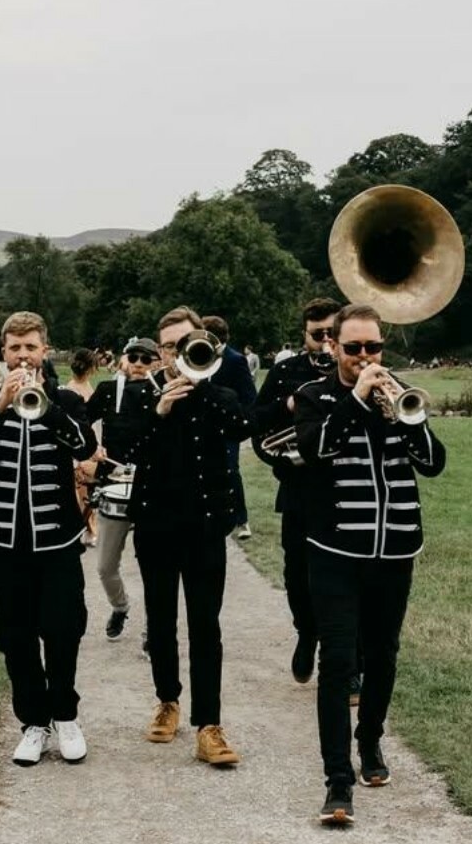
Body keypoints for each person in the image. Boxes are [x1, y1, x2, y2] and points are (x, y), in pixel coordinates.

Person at [294, 303, 446, 824]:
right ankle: (337, 780)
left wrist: (408, 417)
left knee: (383, 656)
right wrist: (357, 400)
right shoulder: (315, 397)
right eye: (354, 347)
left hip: (395, 550)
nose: (365, 356)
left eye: (373, 346)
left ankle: (371, 741)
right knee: (339, 663)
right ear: (333, 346)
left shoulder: (397, 393)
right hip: (335, 552)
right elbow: (316, 449)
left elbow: (433, 463)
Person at [0, 311, 97, 767]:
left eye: (30, 347)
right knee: (13, 635)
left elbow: (84, 447)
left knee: (63, 629)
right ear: (4, 351)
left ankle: (66, 715)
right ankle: (34, 723)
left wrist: (49, 407)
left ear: (44, 351)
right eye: (14, 347)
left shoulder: (66, 400)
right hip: (4, 543)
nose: (22, 355)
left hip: (57, 543)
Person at [124, 305, 252, 765]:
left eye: (185, 344)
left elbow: (243, 427)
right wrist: (160, 409)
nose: (176, 353)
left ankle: (209, 726)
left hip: (204, 527)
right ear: (160, 352)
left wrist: (202, 386)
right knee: (160, 621)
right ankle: (167, 700)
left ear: (202, 343)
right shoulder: (140, 395)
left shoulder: (220, 394)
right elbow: (125, 448)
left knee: (205, 625)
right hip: (155, 525)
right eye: (168, 346)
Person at [252, 297, 341, 685]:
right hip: (299, 489)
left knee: (344, 577)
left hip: (345, 488)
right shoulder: (286, 371)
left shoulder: (355, 369)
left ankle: (346, 661)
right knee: (297, 573)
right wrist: (287, 405)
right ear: (304, 335)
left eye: (331, 333)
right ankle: (307, 634)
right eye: (316, 334)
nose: (324, 341)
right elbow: (256, 424)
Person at [85, 337, 160, 645]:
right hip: (114, 484)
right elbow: (82, 420)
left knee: (155, 568)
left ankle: (154, 628)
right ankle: (120, 607)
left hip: (154, 489)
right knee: (105, 567)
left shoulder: (163, 392)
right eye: (134, 357)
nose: (139, 363)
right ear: (123, 359)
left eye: (147, 358)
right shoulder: (107, 390)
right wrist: (92, 447)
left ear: (157, 362)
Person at [202, 315, 257, 540]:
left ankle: (241, 520)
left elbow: (249, 397)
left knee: (230, 471)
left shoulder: (235, 360)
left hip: (226, 428)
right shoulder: (200, 356)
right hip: (202, 425)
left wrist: (237, 423)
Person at [66, 348, 100, 548]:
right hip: (80, 445)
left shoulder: (86, 386)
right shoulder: (71, 390)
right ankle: (86, 528)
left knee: (90, 489)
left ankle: (89, 528)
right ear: (91, 368)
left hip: (92, 442)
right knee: (82, 490)